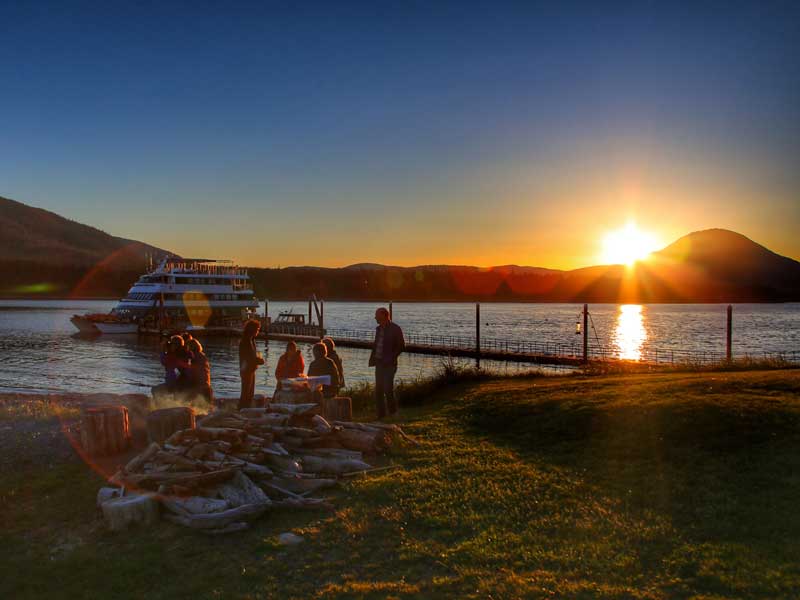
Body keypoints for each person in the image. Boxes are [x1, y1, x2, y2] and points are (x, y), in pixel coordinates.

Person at [368, 307, 405, 418]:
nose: (375, 317)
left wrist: (391, 358)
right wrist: (373, 358)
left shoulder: (395, 328)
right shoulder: (378, 329)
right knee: (378, 390)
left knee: (388, 388)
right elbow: (376, 344)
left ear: (384, 315)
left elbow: (401, 346)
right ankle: (381, 415)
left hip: (389, 364)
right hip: (379, 363)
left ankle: (393, 412)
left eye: (377, 315)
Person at [152, 335, 191, 399]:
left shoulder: (173, 355)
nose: (170, 346)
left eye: (172, 344)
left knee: (154, 390)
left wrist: (163, 351)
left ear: (176, 345)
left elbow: (163, 361)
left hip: (175, 385)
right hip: (184, 384)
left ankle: (158, 406)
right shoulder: (186, 353)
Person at [238, 319, 264, 409]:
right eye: (257, 329)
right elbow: (248, 357)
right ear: (252, 329)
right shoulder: (246, 341)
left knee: (249, 393)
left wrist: (257, 360)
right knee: (246, 393)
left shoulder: (251, 340)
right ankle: (242, 409)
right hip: (246, 370)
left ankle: (246, 408)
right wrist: (258, 361)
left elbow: (251, 356)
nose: (258, 331)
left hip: (250, 369)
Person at [186, 338, 214, 406]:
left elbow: (193, 373)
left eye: (188, 347)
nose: (187, 349)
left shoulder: (194, 357)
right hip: (207, 386)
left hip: (200, 387)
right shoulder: (202, 356)